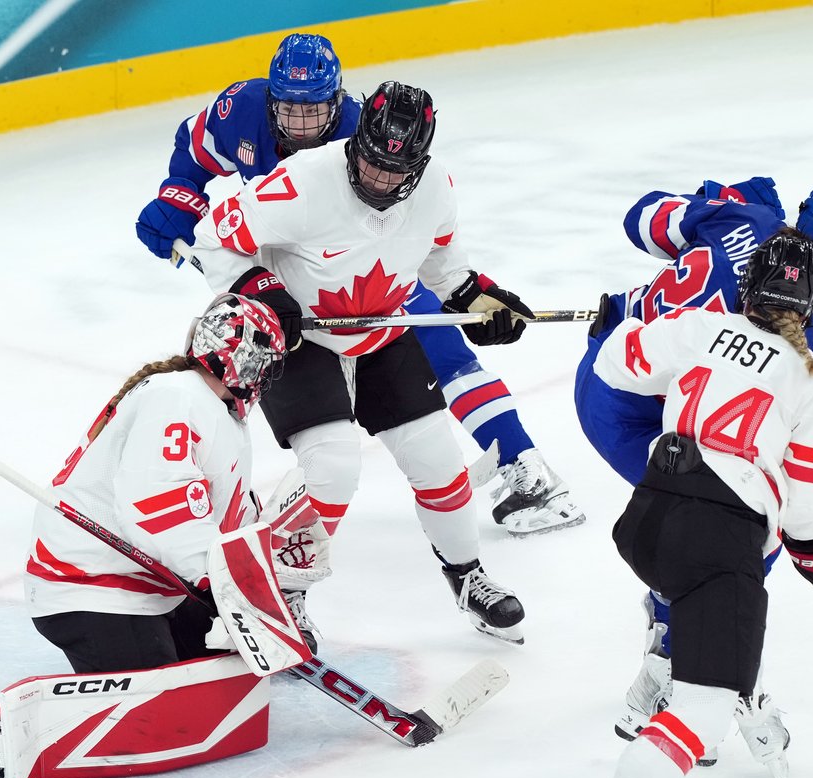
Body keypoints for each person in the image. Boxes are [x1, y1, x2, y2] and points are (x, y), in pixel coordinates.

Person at [135, 33, 581, 537]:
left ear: (339, 99)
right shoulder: (240, 108)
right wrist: (179, 195)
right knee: (236, 361)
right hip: (281, 269)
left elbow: (427, 233)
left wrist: (466, 288)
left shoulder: (362, 135)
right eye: (289, 109)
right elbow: (195, 148)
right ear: (271, 98)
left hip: (370, 259)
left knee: (439, 346)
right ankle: (213, 493)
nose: (302, 126)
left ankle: (523, 462)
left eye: (314, 109)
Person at [545, 229, 813, 778]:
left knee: (714, 623)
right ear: (810, 302)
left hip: (649, 519)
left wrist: (620, 320)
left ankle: (701, 668)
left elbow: (615, 363)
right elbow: (805, 518)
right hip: (718, 535)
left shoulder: (698, 326)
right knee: (705, 707)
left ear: (748, 287)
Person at [185, 80, 531, 643]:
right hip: (302, 340)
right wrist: (260, 288)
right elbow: (212, 237)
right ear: (357, 141)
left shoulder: (436, 188)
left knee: (440, 463)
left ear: (420, 162)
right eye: (370, 162)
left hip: (382, 331)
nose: (379, 180)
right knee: (334, 466)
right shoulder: (302, 182)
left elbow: (444, 264)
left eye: (397, 171)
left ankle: (466, 576)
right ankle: (282, 595)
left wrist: (478, 298)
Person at [0, 294, 307, 778]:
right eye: (268, 364)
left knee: (224, 671)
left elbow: (224, 512)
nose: (269, 378)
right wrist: (221, 581)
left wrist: (266, 573)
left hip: (153, 586)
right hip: (88, 587)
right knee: (165, 713)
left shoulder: (214, 410)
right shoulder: (177, 397)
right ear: (246, 360)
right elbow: (158, 505)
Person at [574, 174, 813, 769]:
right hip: (660, 421)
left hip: (610, 373)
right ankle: (679, 672)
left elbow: (642, 219)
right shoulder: (803, 345)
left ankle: (681, 647)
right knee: (740, 530)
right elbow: (785, 475)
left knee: (702, 524)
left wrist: (715, 206)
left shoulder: (742, 216)